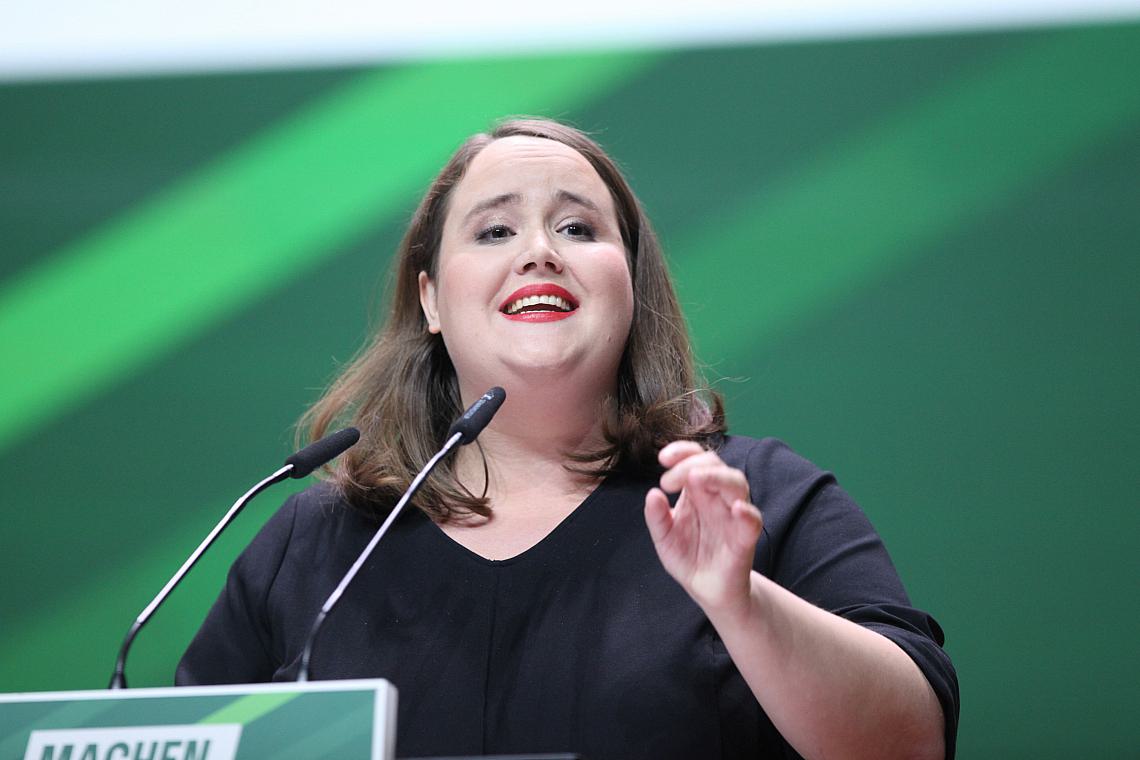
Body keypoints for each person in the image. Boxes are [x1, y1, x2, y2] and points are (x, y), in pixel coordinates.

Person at [177, 117, 959, 759]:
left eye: (578, 227)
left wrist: (743, 603)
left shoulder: (752, 501)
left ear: (631, 286)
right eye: (494, 231)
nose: (539, 251)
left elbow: (912, 743)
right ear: (432, 300)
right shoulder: (318, 542)